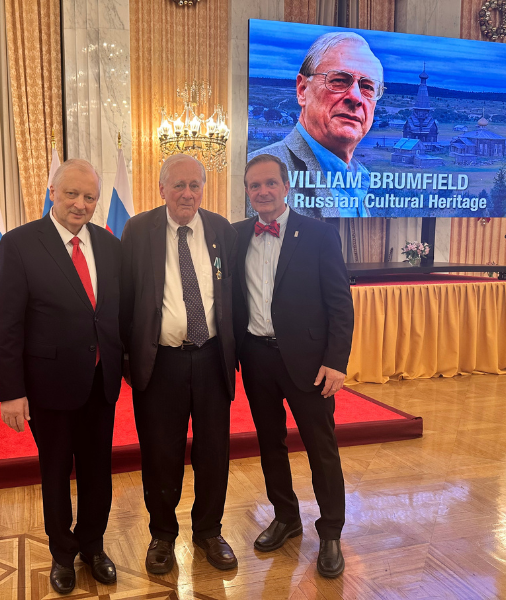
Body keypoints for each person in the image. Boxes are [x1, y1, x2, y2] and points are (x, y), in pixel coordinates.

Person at [0, 159, 122, 595]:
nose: (80, 204)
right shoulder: (20, 244)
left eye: (89, 197)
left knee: (97, 471)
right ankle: (62, 554)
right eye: (72, 194)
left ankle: (93, 545)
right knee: (55, 472)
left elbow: (112, 314)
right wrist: (11, 392)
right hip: (47, 386)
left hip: (101, 383)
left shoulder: (108, 244)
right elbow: (7, 325)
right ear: (52, 192)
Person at [233, 154, 354, 578]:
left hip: (308, 364)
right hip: (256, 358)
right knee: (270, 443)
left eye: (270, 183)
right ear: (247, 193)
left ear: (286, 187)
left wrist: (336, 362)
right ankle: (286, 517)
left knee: (321, 447)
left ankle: (332, 531)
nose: (262, 192)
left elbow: (340, 303)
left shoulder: (319, 235)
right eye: (254, 186)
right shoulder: (235, 236)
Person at [120, 153, 238, 574]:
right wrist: (129, 362)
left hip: (212, 361)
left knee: (214, 453)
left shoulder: (222, 230)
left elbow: (232, 297)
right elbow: (124, 301)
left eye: (195, 185)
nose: (187, 193)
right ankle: (162, 534)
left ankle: (209, 530)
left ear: (203, 189)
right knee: (160, 453)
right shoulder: (137, 230)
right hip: (160, 364)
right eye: (178, 186)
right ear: (162, 189)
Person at [249, 31, 384, 218]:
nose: (355, 97)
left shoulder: (358, 177)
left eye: (368, 87)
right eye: (338, 81)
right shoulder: (257, 172)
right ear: (302, 90)